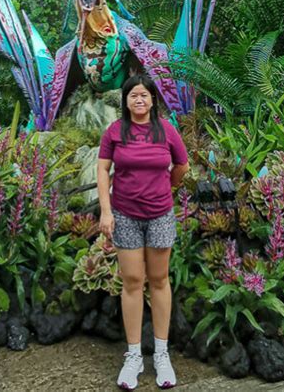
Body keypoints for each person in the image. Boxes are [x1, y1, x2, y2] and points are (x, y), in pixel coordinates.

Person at [97, 73, 189, 390]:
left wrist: (167, 188)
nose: (139, 99)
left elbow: (182, 166)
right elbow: (102, 168)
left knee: (160, 279)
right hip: (125, 215)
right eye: (133, 95)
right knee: (133, 281)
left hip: (160, 215)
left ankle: (161, 354)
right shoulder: (114, 132)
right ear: (126, 101)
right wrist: (106, 210)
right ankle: (134, 355)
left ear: (153, 100)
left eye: (144, 95)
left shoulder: (167, 131)